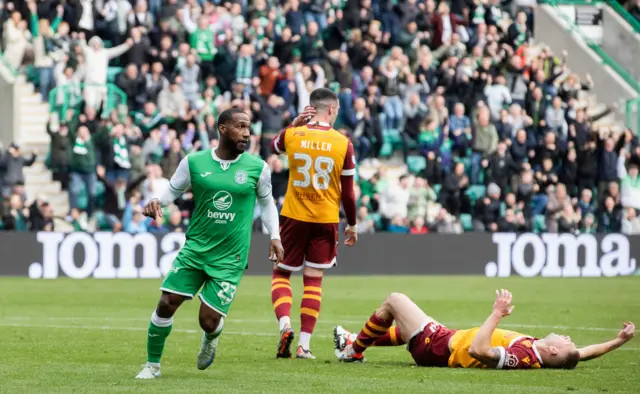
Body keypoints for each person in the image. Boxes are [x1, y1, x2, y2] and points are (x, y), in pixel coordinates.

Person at [135, 108, 284, 379]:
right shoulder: (194, 161)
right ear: (222, 129)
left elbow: (267, 203)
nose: (246, 133)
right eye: (240, 126)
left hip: (230, 257)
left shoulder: (257, 167)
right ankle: (152, 366)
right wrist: (158, 200)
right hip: (196, 249)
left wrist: (274, 235)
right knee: (166, 302)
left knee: (208, 320)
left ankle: (210, 338)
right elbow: (173, 189)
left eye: (248, 127)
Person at [270, 88, 358, 359]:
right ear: (331, 110)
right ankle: (304, 345)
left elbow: (274, 145)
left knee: (282, 273)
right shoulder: (343, 143)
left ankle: (285, 326)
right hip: (325, 219)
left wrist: (294, 123)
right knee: (314, 281)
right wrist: (352, 224)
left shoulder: (293, 135)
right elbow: (348, 192)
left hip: (293, 215)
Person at [333, 290, 635, 369]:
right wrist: (618, 341)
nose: (569, 338)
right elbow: (582, 354)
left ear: (554, 350)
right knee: (404, 330)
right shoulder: (547, 354)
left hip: (437, 347)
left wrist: (496, 314)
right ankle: (353, 341)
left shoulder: (522, 356)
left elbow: (479, 349)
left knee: (394, 301)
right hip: (445, 339)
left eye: (567, 342)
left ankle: (354, 351)